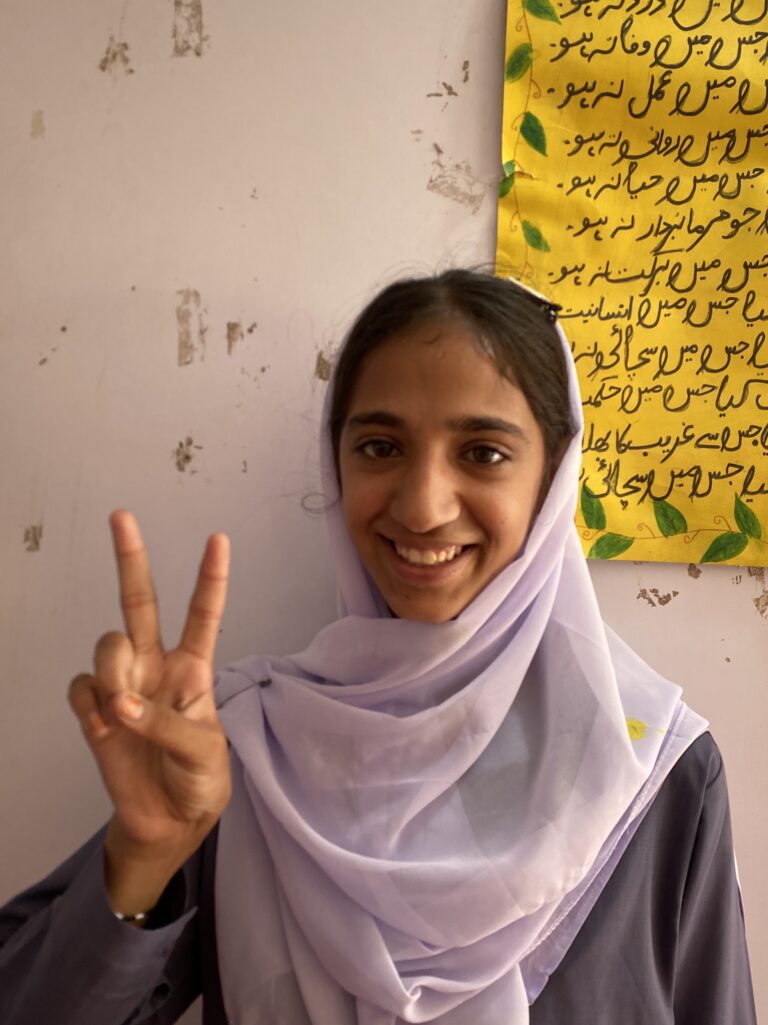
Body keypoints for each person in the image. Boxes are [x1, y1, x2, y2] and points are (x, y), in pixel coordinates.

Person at [0, 270, 757, 1024]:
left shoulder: (652, 772)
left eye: (483, 452)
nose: (422, 506)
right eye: (380, 445)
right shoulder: (241, 757)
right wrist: (144, 853)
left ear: (554, 476)